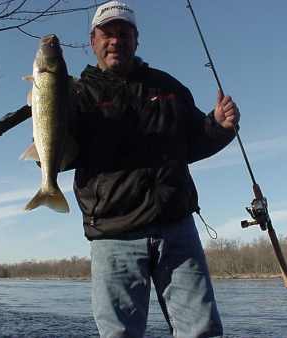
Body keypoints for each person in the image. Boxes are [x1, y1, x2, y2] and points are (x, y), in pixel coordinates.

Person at [68, 1, 240, 337]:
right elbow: (62, 156)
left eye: (124, 33)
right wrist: (45, 109)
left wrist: (218, 127)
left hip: (176, 226)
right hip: (113, 233)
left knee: (201, 330)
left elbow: (192, 144)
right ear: (93, 42)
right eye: (108, 34)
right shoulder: (77, 94)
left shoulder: (168, 88)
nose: (116, 40)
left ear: (136, 40)